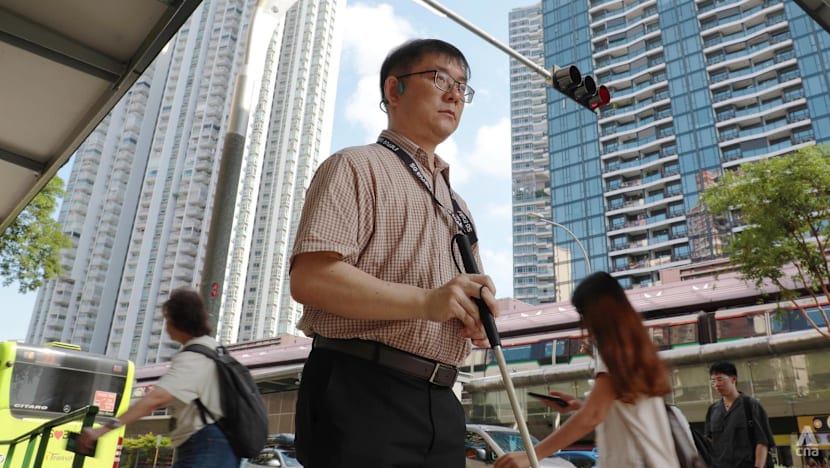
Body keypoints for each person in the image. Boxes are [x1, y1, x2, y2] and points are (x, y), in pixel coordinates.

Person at [289, 38, 498, 467]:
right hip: (361, 388)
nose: (455, 95)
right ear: (394, 89)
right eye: (440, 79)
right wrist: (428, 301)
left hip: (443, 400)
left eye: (463, 86)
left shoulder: (460, 206)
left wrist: (474, 314)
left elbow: (450, 300)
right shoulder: (353, 165)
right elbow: (310, 278)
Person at [495, 272, 681, 468]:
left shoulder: (614, 351)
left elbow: (594, 414)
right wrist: (578, 405)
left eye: (583, 313)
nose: (584, 323)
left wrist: (532, 455)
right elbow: (623, 408)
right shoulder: (638, 348)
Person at [79, 288, 237, 468]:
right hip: (221, 444)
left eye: (167, 319)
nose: (166, 326)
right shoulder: (215, 350)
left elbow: (156, 399)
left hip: (206, 444)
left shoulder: (194, 356)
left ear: (178, 321)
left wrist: (103, 429)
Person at [704, 361, 775, 468]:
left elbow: (762, 442)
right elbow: (709, 442)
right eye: (713, 381)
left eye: (720, 379)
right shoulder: (713, 410)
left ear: (733, 379)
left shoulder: (751, 405)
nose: (716, 384)